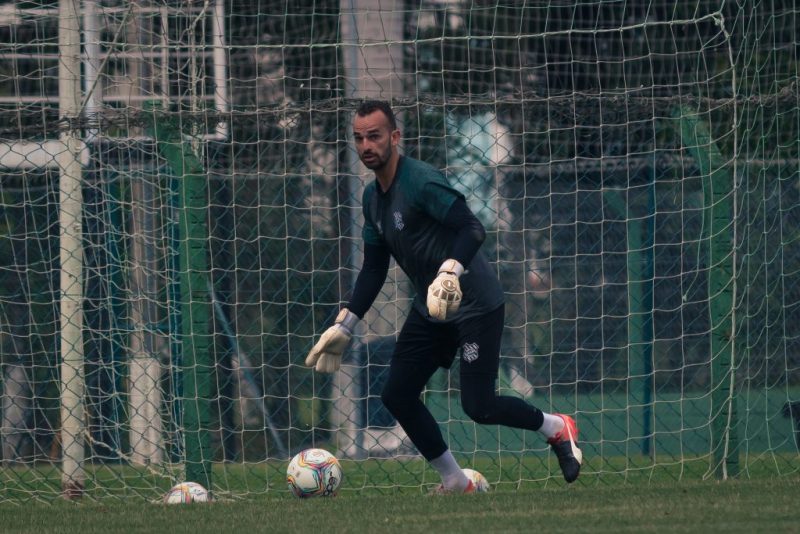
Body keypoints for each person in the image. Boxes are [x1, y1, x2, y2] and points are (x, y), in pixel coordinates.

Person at [306, 100, 582, 492]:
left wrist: (451, 272)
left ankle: (556, 427)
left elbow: (471, 229)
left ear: (395, 137)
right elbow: (372, 269)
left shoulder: (420, 181)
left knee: (479, 406)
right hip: (433, 309)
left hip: (474, 303)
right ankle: (455, 479)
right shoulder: (372, 199)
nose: (366, 145)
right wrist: (345, 323)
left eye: (375, 136)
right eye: (359, 138)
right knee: (397, 394)